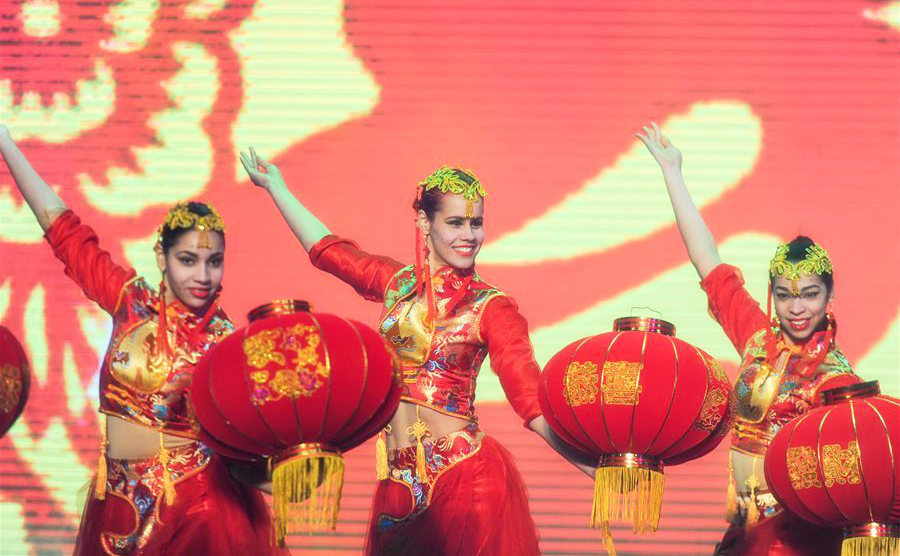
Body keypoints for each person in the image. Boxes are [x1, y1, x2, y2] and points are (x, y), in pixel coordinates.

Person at [241, 149, 593, 556]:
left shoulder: (492, 307)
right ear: (425, 223)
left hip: (466, 477)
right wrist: (277, 188)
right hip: (399, 482)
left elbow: (531, 402)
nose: (469, 235)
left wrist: (593, 468)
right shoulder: (397, 284)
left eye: (476, 223)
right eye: (455, 222)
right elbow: (330, 252)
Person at [0, 125, 286, 556]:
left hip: (198, 511)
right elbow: (60, 228)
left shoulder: (227, 343)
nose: (202, 275)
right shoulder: (130, 302)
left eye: (214, 262)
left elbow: (246, 458)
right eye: (188, 260)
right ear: (162, 258)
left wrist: (294, 469)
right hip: (118, 504)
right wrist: (5, 142)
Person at [637, 122, 861, 555]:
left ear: (829, 296)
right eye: (785, 296)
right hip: (744, 529)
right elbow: (707, 261)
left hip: (798, 540)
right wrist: (672, 172)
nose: (797, 308)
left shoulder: (837, 382)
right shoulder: (758, 339)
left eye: (810, 295)